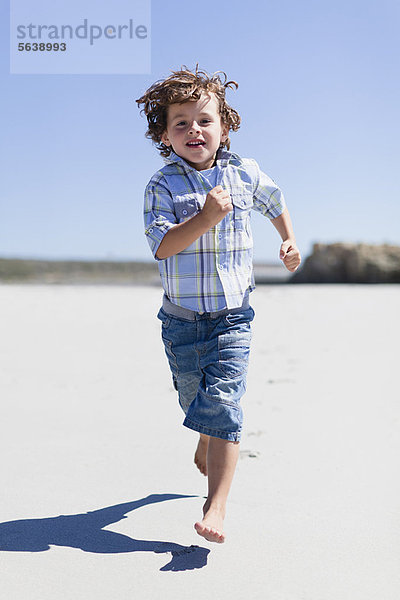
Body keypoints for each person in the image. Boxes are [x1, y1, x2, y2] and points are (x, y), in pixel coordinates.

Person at [136, 65, 301, 544]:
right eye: (180, 122)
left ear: (224, 127)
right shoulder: (161, 185)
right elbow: (163, 246)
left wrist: (289, 240)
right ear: (164, 134)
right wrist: (207, 217)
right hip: (182, 322)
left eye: (204, 120)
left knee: (225, 404)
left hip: (233, 318)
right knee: (194, 399)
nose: (194, 130)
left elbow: (275, 200)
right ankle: (205, 434)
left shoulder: (244, 172)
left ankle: (217, 506)